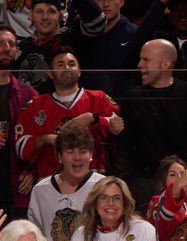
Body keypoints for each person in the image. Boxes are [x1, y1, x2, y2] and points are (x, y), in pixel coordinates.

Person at [115, 39, 187, 206]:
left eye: (146, 60)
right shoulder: (131, 99)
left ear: (165, 64)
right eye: (140, 59)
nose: (139, 65)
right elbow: (125, 152)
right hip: (146, 190)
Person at [15, 47, 125, 182]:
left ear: (79, 72)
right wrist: (46, 139)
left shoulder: (99, 98)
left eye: (71, 64)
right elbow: (20, 148)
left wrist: (93, 118)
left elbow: (116, 129)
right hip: (50, 181)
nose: (67, 67)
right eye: (60, 65)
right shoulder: (34, 105)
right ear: (50, 73)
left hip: (94, 180)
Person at [0, 26, 38, 216]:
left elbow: (39, 140)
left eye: (12, 44)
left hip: (14, 190)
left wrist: (31, 170)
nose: (7, 48)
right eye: (1, 43)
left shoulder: (29, 94)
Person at [26, 126, 105, 241]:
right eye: (70, 152)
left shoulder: (102, 187)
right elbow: (34, 234)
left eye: (83, 151)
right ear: (60, 157)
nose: (77, 157)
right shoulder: (40, 190)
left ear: (91, 155)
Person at [13, 0, 107, 96]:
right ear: (31, 15)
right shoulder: (21, 47)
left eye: (51, 12)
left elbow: (98, 22)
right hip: (28, 108)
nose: (45, 17)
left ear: (61, 16)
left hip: (67, 107)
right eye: (39, 12)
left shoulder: (73, 37)